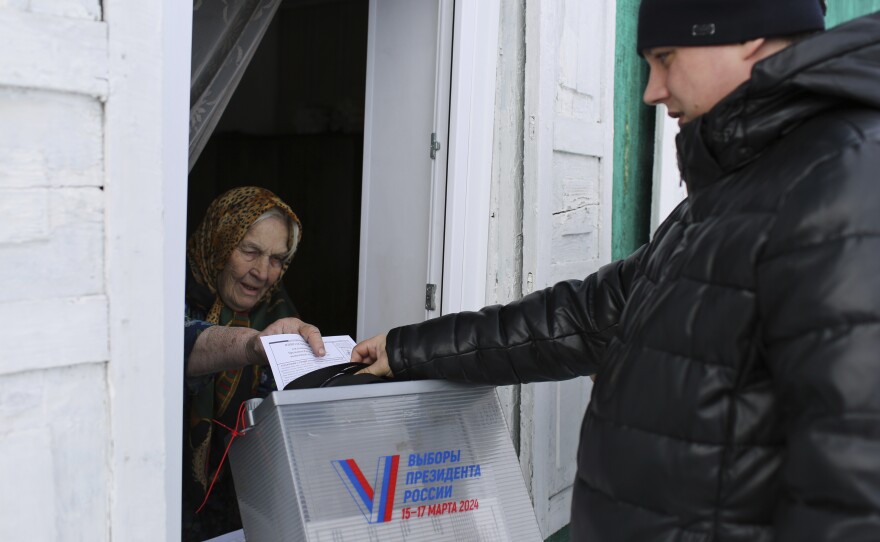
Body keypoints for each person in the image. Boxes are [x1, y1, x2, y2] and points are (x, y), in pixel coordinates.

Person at [353, 2, 880, 540]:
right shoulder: (735, 190)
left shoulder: (842, 179)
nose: (652, 89)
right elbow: (581, 318)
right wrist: (406, 349)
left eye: (666, 58)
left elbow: (854, 478)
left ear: (749, 37)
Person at [182, 186, 324, 541]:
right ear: (220, 244)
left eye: (277, 259)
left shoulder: (277, 310)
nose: (263, 272)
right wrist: (255, 346)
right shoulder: (170, 290)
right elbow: (182, 347)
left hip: (244, 509)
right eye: (250, 251)